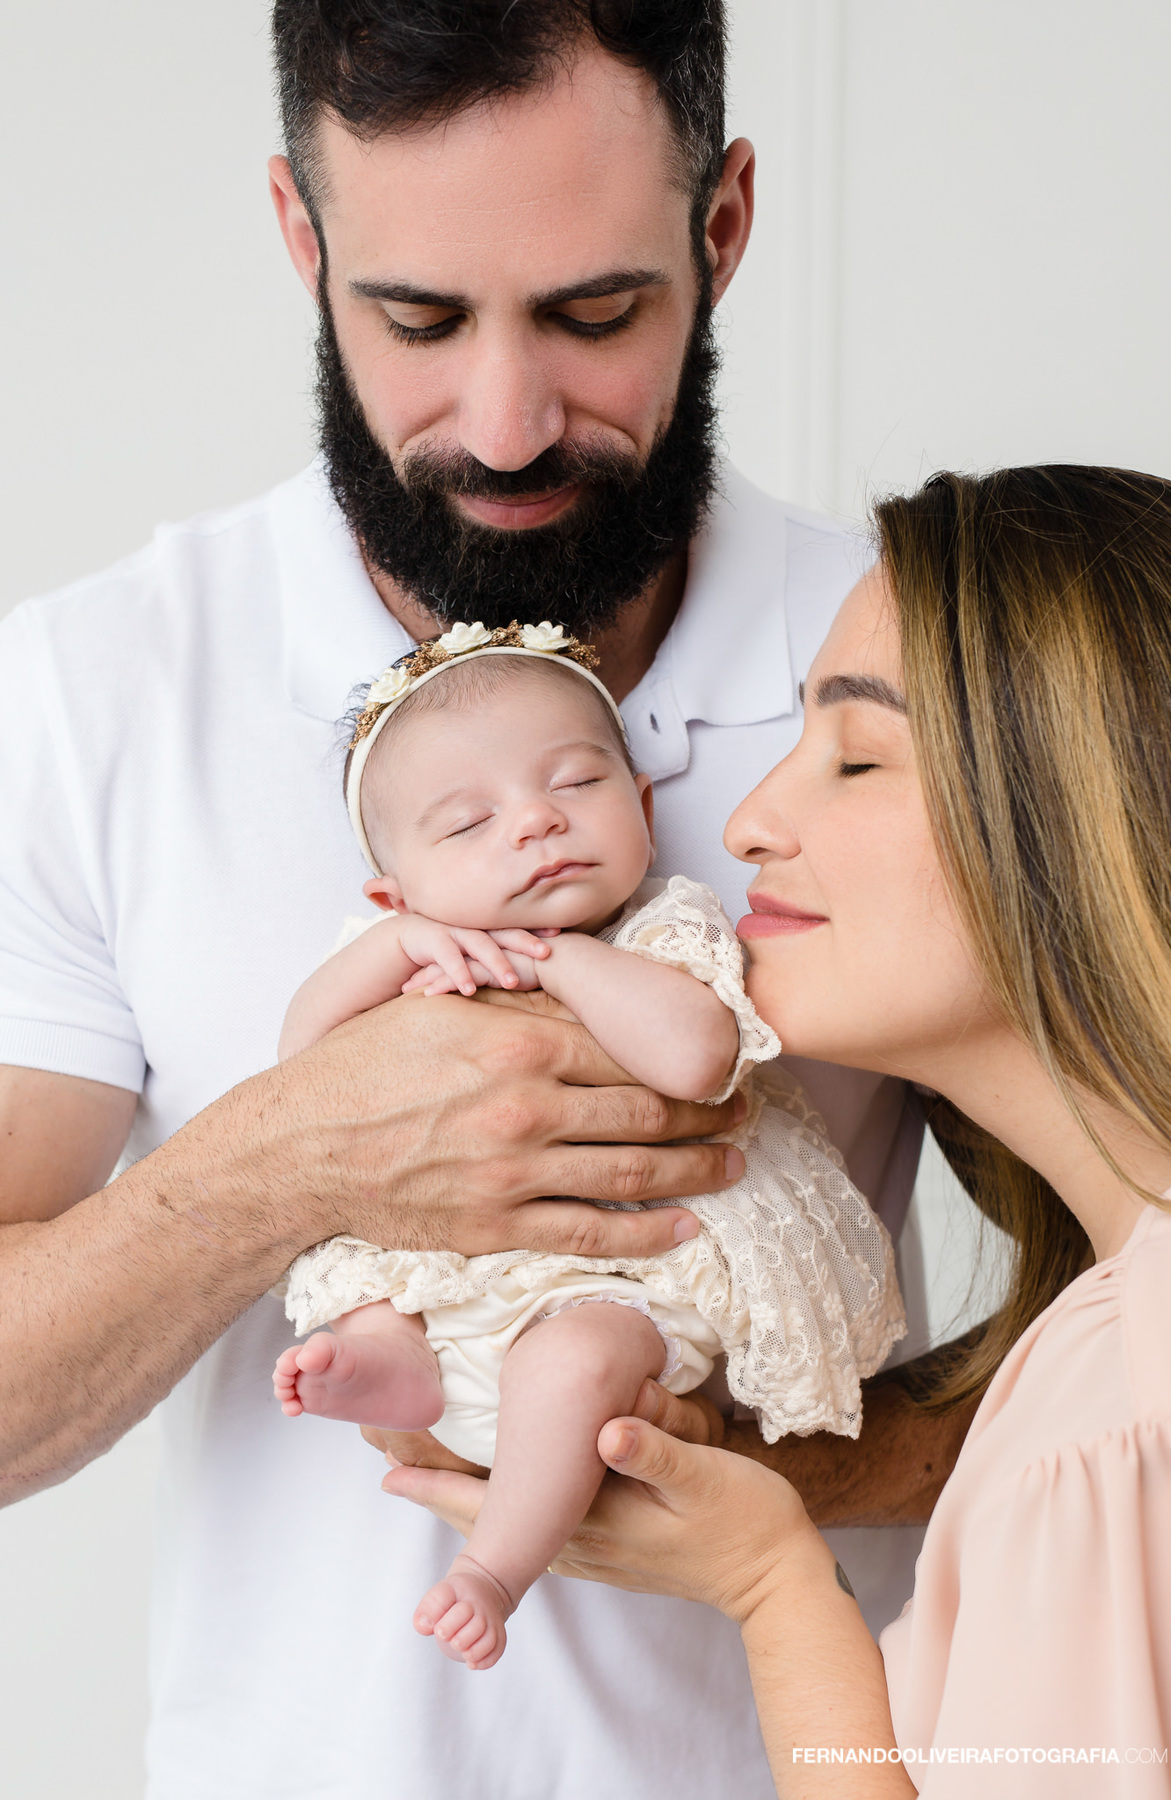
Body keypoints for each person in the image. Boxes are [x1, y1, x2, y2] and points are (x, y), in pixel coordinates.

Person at [0, 5, 966, 1795]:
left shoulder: (909, 669)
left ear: (725, 227)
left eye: (595, 316)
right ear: (303, 235)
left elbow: (1148, 1297)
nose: (509, 424)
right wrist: (290, 1158)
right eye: (419, 320)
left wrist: (778, 1466)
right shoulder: (91, 693)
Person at [389, 464, 1171, 1794]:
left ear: (1077, 819)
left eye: (858, 754)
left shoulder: (1126, 1414)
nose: (753, 822)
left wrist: (774, 1589)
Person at [271, 623, 903, 1669]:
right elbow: (303, 1073)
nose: (538, 824)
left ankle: (494, 1568)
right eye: (471, 822)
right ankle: (389, 1358)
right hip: (447, 1274)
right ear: (397, 892)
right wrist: (391, 952)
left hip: (617, 1281)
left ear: (646, 811)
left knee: (570, 1364)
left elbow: (698, 1056)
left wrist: (561, 962)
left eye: (575, 783)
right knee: (340, 1253)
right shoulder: (404, 948)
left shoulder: (663, 932)